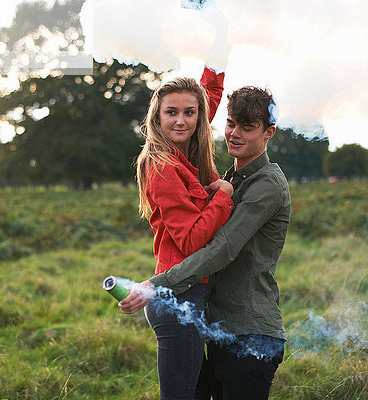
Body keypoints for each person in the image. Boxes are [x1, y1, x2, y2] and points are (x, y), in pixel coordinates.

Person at [121, 86, 291, 400]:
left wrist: (157, 284)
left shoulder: (265, 183)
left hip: (250, 333)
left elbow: (221, 249)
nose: (235, 134)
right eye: (230, 124)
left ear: (269, 132)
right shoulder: (232, 177)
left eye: (247, 127)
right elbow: (195, 106)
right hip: (217, 328)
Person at [132, 65, 236, 400]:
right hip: (178, 297)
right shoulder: (162, 165)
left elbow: (210, 94)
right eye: (171, 112)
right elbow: (192, 240)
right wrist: (222, 196)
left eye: (190, 113)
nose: (181, 121)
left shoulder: (187, 146)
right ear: (157, 117)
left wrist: (219, 39)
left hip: (193, 293)